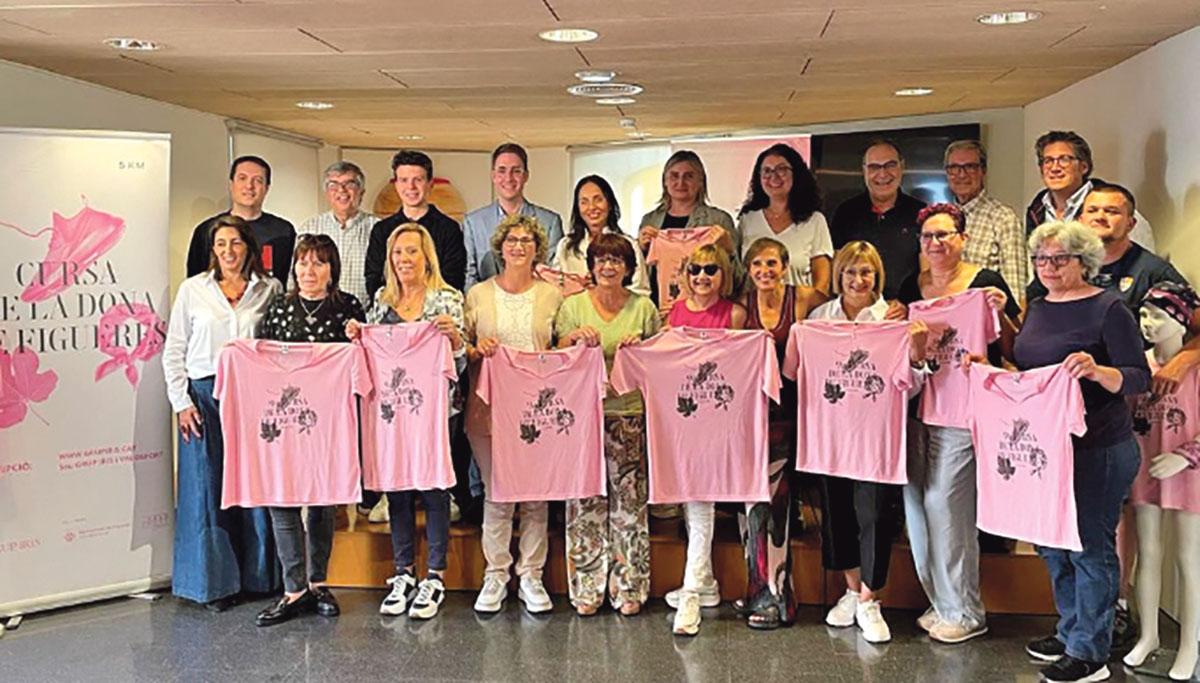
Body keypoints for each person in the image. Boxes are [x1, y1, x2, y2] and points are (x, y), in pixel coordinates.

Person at [1013, 221, 1149, 683]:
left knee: (1090, 547)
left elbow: (1138, 376)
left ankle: (1090, 652)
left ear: (1083, 261)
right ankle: (1072, 628)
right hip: (1046, 448)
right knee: (1051, 544)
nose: (1048, 267)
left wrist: (1096, 370)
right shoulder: (1037, 307)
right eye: (1041, 259)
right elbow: (1029, 366)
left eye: (1059, 259)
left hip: (1099, 447)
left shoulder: (1108, 308)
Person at [895, 204, 1020, 644]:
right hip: (917, 407)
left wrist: (1002, 314)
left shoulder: (984, 284)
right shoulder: (911, 286)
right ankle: (941, 601)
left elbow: (1014, 345)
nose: (936, 243)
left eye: (944, 234)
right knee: (917, 507)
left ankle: (966, 610)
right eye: (928, 236)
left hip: (963, 411)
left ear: (963, 238)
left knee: (946, 507)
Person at [808, 241, 930, 644]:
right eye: (850, 272)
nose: (858, 280)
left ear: (878, 277)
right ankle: (850, 590)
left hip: (875, 437)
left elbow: (911, 385)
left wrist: (914, 351)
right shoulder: (818, 320)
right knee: (837, 515)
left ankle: (870, 599)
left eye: (866, 273)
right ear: (838, 276)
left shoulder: (892, 320)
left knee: (874, 516)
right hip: (830, 436)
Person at [346, 222, 465, 620]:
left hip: (435, 410)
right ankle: (403, 573)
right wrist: (357, 335)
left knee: (433, 488)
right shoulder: (382, 301)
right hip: (391, 414)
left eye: (412, 251)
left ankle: (435, 576)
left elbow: (461, 361)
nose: (404, 259)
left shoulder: (447, 299)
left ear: (427, 257)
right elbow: (368, 353)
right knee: (396, 488)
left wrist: (455, 339)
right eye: (397, 253)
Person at [163, 215, 282, 611]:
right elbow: (174, 350)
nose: (228, 251)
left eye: (235, 242)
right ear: (212, 250)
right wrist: (181, 403)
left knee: (255, 487)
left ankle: (260, 579)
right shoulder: (192, 290)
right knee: (206, 489)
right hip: (204, 399)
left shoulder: (270, 289)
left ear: (248, 246)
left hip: (253, 398)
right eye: (221, 244)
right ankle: (213, 585)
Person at [253, 234, 366, 626]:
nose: (309, 270)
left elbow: (362, 362)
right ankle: (293, 588)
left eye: (318, 262)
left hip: (328, 424)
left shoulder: (348, 308)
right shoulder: (279, 308)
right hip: (285, 421)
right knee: (282, 499)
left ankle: (318, 583)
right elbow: (261, 362)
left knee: (321, 501)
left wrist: (358, 338)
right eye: (303, 262)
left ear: (332, 269)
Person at [555, 233, 660, 617]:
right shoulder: (573, 306)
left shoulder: (643, 307)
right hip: (582, 417)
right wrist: (572, 338)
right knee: (584, 501)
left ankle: (629, 587)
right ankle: (587, 589)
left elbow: (660, 361)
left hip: (628, 414)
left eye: (616, 260)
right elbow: (557, 357)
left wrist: (641, 348)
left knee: (629, 504)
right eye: (601, 260)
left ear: (629, 267)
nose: (608, 267)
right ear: (592, 266)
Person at [465, 214, 563, 614]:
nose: (518, 246)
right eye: (512, 240)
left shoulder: (553, 296)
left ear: (537, 249)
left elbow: (560, 349)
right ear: (500, 248)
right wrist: (478, 350)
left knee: (536, 495)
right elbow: (462, 349)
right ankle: (496, 574)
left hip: (538, 413)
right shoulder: (477, 294)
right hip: (487, 409)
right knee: (498, 493)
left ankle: (531, 575)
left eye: (526, 240)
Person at [733, 237, 821, 629]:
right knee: (750, 506)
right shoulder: (742, 307)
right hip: (748, 418)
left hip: (787, 417)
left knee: (777, 508)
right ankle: (757, 588)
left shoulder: (803, 299)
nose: (764, 271)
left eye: (771, 263)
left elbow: (848, 308)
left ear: (785, 266)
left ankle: (779, 595)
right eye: (757, 264)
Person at [662, 243, 746, 636]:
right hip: (683, 418)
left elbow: (742, 364)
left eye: (711, 269)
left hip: (720, 418)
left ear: (723, 274)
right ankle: (707, 582)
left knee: (701, 501)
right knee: (692, 499)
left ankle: (692, 592)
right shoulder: (674, 313)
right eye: (695, 269)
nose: (701, 277)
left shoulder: (735, 314)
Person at [830, 139, 926, 301]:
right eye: (874, 167)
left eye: (890, 165)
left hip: (905, 309)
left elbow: (928, 273)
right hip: (858, 308)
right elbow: (837, 268)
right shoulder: (846, 212)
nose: (882, 174)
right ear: (864, 170)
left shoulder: (921, 214)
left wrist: (906, 305)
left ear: (902, 166)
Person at [1025, 130, 1155, 250]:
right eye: (1048, 161)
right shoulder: (1036, 210)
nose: (1055, 168)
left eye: (1064, 160)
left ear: (1084, 167)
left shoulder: (1115, 209)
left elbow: (1142, 260)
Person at [365, 150, 467, 301]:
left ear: (430, 184)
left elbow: (453, 278)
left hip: (437, 310)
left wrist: (419, 304)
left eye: (418, 180)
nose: (411, 187)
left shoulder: (449, 229)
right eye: (404, 180)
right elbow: (373, 278)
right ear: (396, 185)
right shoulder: (381, 230)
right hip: (392, 309)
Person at [636, 150, 738, 300]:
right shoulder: (650, 221)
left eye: (689, 176)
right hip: (660, 306)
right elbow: (636, 275)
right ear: (665, 181)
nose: (680, 183)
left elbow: (738, 280)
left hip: (704, 307)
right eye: (674, 176)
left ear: (700, 181)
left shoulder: (719, 220)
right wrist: (641, 250)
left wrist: (728, 251)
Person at [463, 143, 564, 290]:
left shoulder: (550, 222)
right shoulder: (473, 223)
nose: (508, 178)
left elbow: (553, 275)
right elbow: (469, 276)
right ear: (493, 176)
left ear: (526, 176)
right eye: (502, 171)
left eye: (516, 171)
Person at [736, 143, 833, 295]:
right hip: (754, 308)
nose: (774, 176)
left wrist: (808, 306)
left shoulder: (814, 221)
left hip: (799, 308)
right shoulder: (748, 220)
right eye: (767, 171)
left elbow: (822, 282)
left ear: (796, 174)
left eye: (781, 169)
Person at [185, 156, 295, 286]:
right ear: (231, 185)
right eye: (242, 178)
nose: (249, 186)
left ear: (266, 188)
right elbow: (195, 284)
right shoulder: (207, 230)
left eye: (258, 180)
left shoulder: (284, 231)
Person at [943, 140, 1029, 296]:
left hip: (985, 309)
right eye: (954, 168)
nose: (962, 174)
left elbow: (1015, 288)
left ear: (983, 170)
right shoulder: (941, 219)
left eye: (970, 167)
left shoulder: (1003, 218)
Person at [554, 175, 651, 297]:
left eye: (598, 200)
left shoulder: (628, 244)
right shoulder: (566, 245)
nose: (591, 207)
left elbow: (641, 291)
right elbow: (555, 288)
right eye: (584, 202)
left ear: (609, 204)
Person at [297, 161, 376, 305]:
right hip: (319, 313)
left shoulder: (377, 228)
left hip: (366, 314)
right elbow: (295, 278)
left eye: (349, 184)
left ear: (361, 192)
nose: (341, 190)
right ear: (326, 193)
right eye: (333, 185)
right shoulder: (310, 228)